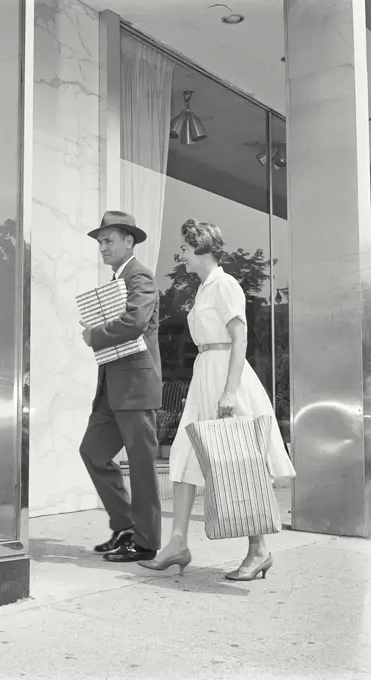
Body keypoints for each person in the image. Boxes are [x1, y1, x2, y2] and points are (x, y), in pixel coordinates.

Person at [140, 218, 296, 580]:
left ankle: (258, 550)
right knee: (182, 455)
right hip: (205, 374)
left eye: (184, 247)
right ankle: (177, 542)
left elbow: (239, 338)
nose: (180, 254)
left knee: (239, 461)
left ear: (202, 248)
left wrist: (230, 390)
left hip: (227, 373)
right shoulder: (204, 288)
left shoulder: (225, 285)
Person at [79, 210, 163, 563]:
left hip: (135, 386)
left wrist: (93, 334)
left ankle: (146, 541)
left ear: (129, 241)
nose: (102, 247)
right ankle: (125, 525)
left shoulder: (139, 275)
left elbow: (136, 321)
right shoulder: (118, 279)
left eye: (108, 240)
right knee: (93, 452)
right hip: (112, 388)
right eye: (100, 242)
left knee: (142, 465)